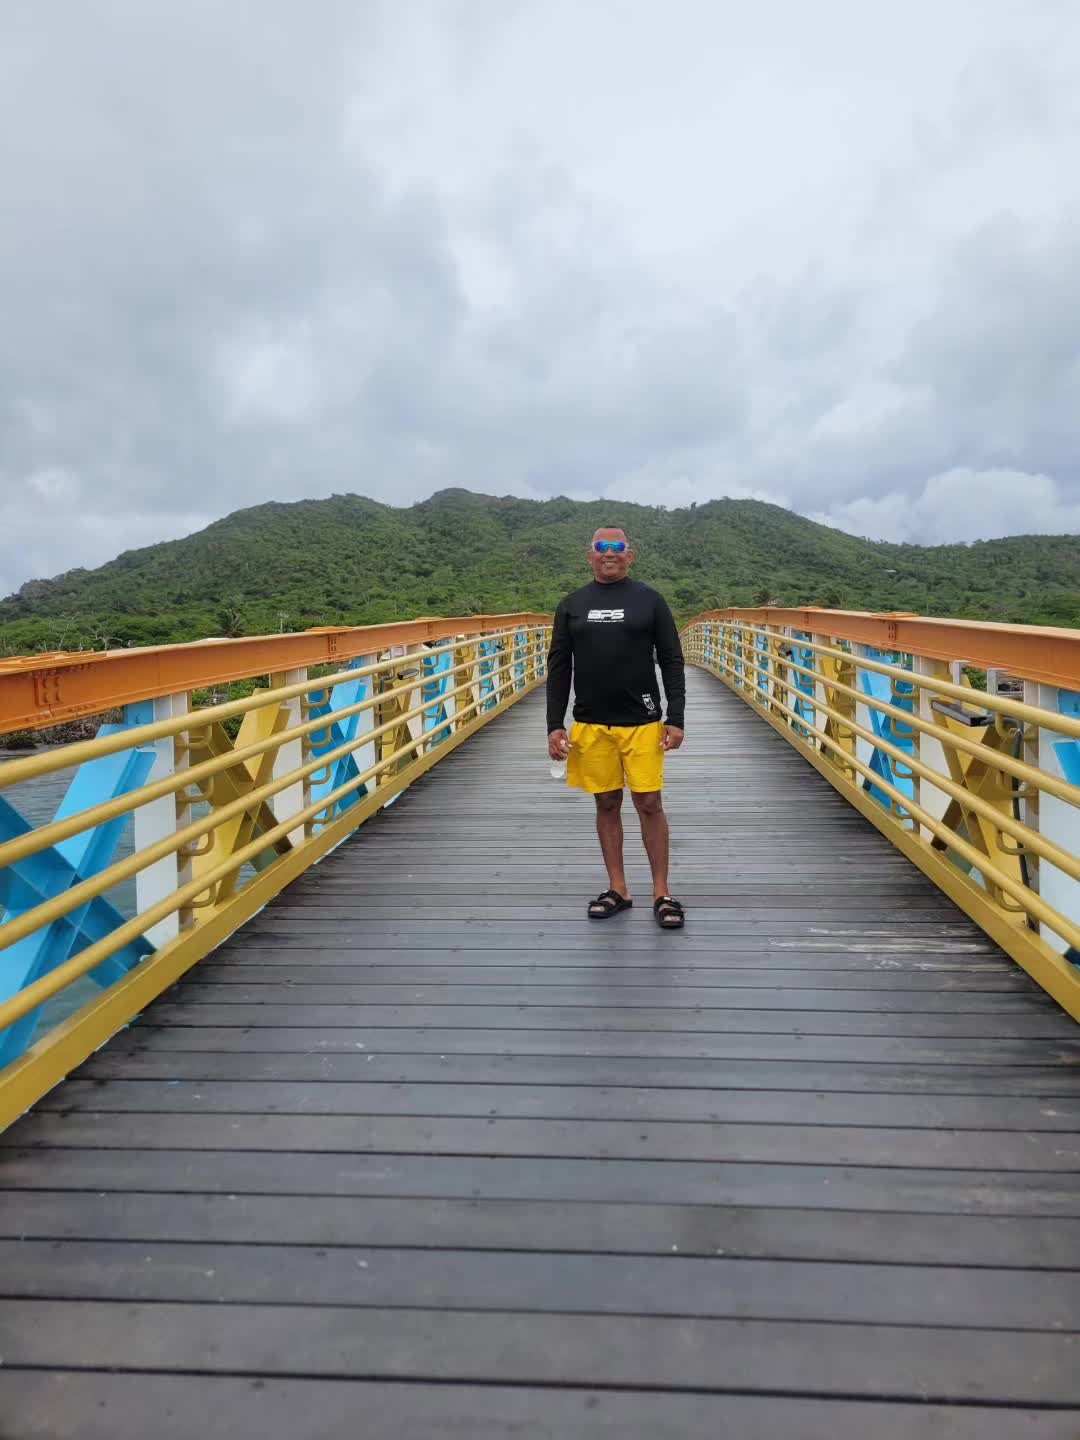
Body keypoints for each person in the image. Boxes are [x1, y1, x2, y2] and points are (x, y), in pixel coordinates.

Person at [546, 527, 686, 929]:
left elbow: (672, 659)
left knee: (649, 803)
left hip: (642, 721)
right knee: (606, 804)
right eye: (601, 547)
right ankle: (618, 889)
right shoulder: (572, 605)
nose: (609, 553)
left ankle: (662, 892)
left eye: (617, 547)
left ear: (630, 554)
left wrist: (676, 716)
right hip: (591, 723)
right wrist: (554, 723)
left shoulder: (650, 600)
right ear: (590, 556)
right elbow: (559, 667)